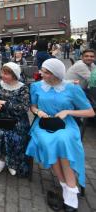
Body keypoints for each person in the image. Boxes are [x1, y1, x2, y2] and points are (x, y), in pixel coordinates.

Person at [26, 58, 94, 211]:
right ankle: (67, 187)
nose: (41, 74)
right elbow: (33, 106)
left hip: (66, 123)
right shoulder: (36, 86)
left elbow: (90, 112)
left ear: (56, 74)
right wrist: (38, 111)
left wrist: (68, 111)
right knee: (49, 141)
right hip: (43, 123)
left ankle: (69, 187)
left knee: (63, 140)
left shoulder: (72, 88)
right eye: (42, 70)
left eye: (46, 72)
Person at [0, 62, 30, 177]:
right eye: (2, 72)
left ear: (14, 75)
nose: (3, 75)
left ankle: (11, 161)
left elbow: (23, 108)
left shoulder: (23, 88)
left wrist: (3, 103)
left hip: (16, 120)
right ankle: (1, 160)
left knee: (14, 133)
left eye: (6, 74)